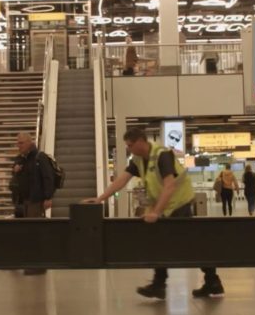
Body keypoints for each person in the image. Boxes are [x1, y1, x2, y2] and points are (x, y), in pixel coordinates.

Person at [87, 127, 223, 299]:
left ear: (141, 142)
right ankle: (170, 283)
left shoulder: (162, 155)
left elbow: (170, 185)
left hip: (179, 204)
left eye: (130, 145)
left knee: (189, 244)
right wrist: (100, 198)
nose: (128, 148)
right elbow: (123, 179)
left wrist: (156, 213)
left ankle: (208, 281)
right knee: (162, 242)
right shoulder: (138, 159)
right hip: (166, 206)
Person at [15, 132, 55, 274]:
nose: (18, 146)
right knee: (26, 233)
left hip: (35, 201)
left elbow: (48, 178)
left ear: (29, 143)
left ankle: (38, 265)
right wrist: (16, 172)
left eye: (21, 143)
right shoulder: (20, 160)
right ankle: (29, 262)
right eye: (17, 143)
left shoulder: (40, 158)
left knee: (35, 232)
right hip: (23, 202)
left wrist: (48, 197)